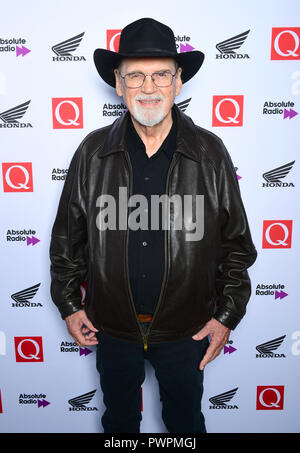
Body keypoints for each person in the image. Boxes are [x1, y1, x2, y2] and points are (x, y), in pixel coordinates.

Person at [50, 18, 257, 433]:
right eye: (136, 76)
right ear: (118, 83)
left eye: (161, 74)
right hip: (113, 328)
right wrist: (70, 305)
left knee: (185, 426)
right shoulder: (92, 153)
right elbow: (66, 241)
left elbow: (236, 246)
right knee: (120, 425)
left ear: (179, 82)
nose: (149, 87)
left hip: (187, 330)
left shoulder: (210, 152)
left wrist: (227, 315)